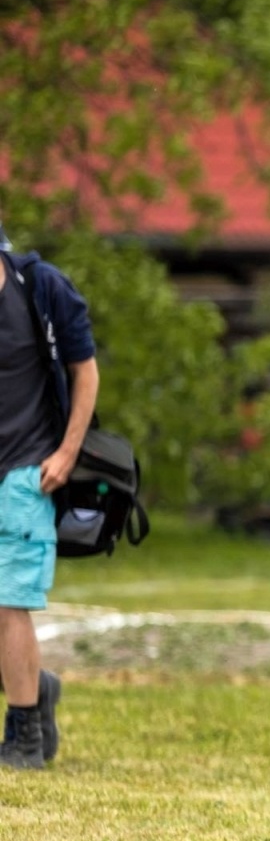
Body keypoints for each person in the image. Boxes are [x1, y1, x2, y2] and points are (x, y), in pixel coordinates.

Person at [0, 214, 100, 769]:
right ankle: (36, 688)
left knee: (8, 602)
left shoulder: (40, 290)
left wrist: (66, 452)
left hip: (24, 473)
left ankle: (24, 739)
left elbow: (86, 373)